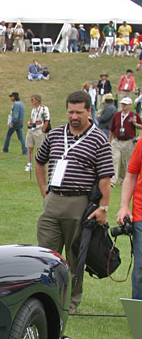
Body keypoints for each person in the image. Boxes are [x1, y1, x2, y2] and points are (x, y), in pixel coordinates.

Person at [35, 90, 113, 314]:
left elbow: (105, 178)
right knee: (46, 254)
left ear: (89, 111)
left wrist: (103, 207)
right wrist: (44, 190)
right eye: (71, 112)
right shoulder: (56, 134)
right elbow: (40, 161)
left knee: (75, 255)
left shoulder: (99, 139)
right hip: (53, 201)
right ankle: (46, 299)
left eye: (79, 112)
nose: (74, 116)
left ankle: (70, 303)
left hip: (79, 203)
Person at [116, 140, 142, 298]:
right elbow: (131, 175)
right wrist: (124, 206)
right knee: (140, 270)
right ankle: (138, 318)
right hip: (140, 214)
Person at [110, 97, 142, 186]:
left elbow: (141, 126)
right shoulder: (117, 115)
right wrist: (109, 141)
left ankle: (123, 180)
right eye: (122, 104)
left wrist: (135, 123)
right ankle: (112, 181)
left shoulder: (134, 115)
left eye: (125, 104)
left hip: (129, 141)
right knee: (114, 159)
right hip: (117, 141)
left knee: (126, 162)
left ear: (129, 105)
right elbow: (112, 129)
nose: (123, 105)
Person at [25, 94, 51, 172]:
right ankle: (29, 164)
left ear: (37, 100)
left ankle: (40, 163)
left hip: (39, 129)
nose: (31, 101)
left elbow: (47, 120)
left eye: (32, 99)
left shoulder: (44, 109)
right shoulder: (33, 110)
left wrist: (43, 130)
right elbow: (32, 119)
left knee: (40, 148)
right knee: (30, 147)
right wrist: (30, 123)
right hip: (31, 129)